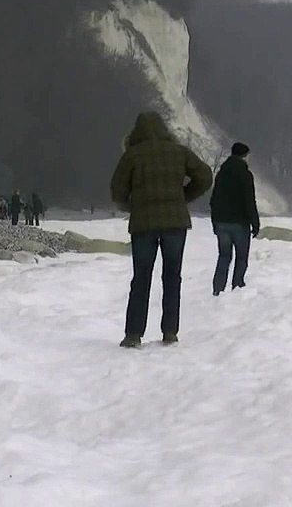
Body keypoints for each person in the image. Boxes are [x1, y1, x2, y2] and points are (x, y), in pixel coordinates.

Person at [110, 111, 213, 348]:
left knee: (141, 278)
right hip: (175, 223)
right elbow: (205, 177)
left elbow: (117, 190)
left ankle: (134, 334)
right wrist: (184, 197)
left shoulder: (132, 156)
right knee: (172, 276)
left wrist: (132, 205)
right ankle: (170, 332)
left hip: (143, 224)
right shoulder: (179, 152)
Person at [209, 142, 261, 295]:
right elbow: (249, 201)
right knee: (241, 257)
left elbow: (213, 200)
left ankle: (217, 289)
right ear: (244, 156)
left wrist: (215, 221)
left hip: (222, 222)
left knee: (224, 256)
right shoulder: (245, 175)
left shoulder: (221, 174)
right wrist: (255, 223)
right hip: (240, 223)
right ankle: (237, 287)